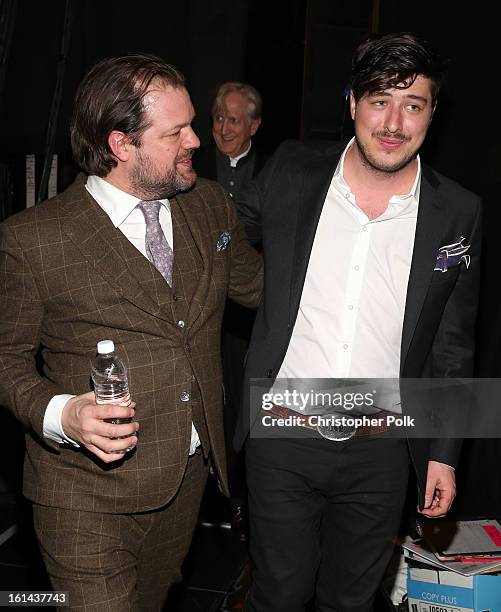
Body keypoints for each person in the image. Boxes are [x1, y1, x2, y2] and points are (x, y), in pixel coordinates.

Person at [0, 54, 262, 611]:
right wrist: (62, 413)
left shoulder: (210, 206)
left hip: (186, 477)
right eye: (176, 132)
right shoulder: (33, 241)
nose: (197, 139)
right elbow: (5, 359)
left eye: (192, 122)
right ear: (121, 145)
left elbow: (263, 290)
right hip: (82, 492)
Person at [233, 32, 482, 611]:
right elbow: (213, 238)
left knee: (351, 601)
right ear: (351, 103)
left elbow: (453, 345)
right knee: (279, 595)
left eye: (412, 105)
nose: (394, 122)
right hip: (283, 434)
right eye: (378, 101)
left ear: (432, 113)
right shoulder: (293, 169)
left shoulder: (458, 211)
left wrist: (444, 452)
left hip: (382, 449)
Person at [196, 82, 267, 536]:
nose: (223, 127)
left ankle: (244, 498)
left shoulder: (276, 170)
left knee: (247, 403)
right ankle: (210, 501)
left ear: (254, 126)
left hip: (250, 312)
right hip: (203, 308)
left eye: (234, 120)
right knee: (209, 402)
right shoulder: (193, 165)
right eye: (219, 117)